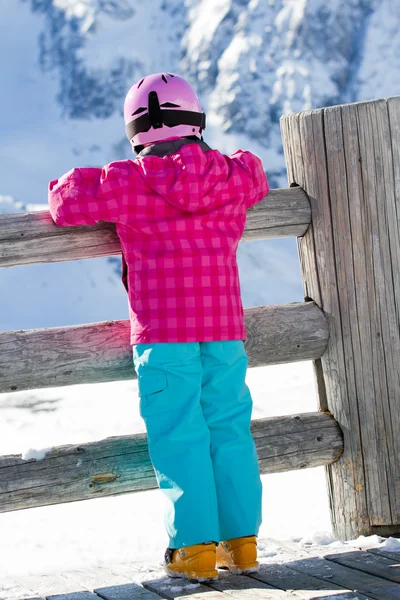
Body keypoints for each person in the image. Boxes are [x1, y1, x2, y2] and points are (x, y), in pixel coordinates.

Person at [48, 72, 269, 582]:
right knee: (229, 430)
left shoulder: (126, 182)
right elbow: (256, 173)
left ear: (135, 131)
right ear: (197, 122)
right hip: (224, 331)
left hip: (162, 337)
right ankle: (242, 543)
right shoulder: (233, 177)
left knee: (179, 435)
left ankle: (193, 550)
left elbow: (66, 203)